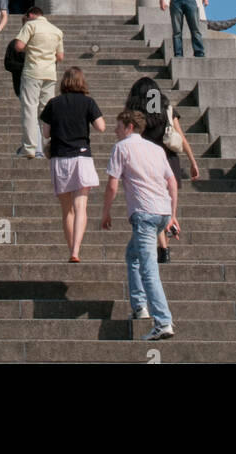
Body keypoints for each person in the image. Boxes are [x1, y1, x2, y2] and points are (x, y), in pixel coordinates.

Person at [101, 109, 179, 338]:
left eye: (118, 126)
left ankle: (163, 321)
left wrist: (105, 212)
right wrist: (173, 215)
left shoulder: (121, 148)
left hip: (144, 214)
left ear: (129, 127)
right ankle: (139, 307)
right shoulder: (156, 149)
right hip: (162, 211)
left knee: (149, 268)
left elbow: (112, 185)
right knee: (133, 255)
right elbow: (172, 181)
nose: (115, 131)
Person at [126, 75, 200, 262]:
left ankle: (163, 247)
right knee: (165, 205)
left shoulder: (136, 113)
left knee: (154, 205)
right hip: (170, 161)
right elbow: (181, 136)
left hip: (149, 163)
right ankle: (167, 236)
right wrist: (193, 161)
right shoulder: (167, 109)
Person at [40, 67, 106, 262]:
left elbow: (45, 133)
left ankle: (71, 250)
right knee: (81, 207)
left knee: (66, 210)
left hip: (59, 158)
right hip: (81, 157)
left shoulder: (54, 103)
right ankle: (76, 250)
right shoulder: (88, 102)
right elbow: (101, 127)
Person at [15, 6, 64, 157]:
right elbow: (60, 56)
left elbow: (18, 46)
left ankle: (30, 147)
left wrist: (31, 49)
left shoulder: (30, 25)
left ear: (30, 15)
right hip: (50, 73)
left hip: (33, 71)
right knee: (47, 111)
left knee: (30, 109)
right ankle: (50, 146)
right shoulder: (56, 30)